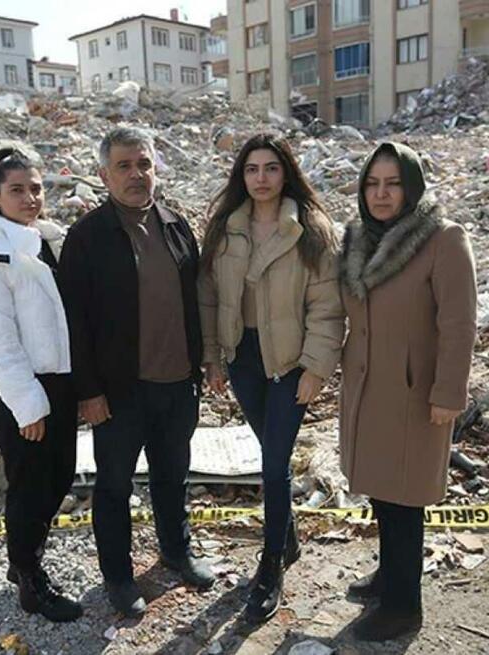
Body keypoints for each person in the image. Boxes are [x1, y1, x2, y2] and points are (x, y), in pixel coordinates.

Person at [57, 127, 213, 618]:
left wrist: (205, 362)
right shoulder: (87, 237)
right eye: (124, 166)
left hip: (177, 383)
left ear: (155, 169)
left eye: (143, 164)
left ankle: (176, 549)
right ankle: (119, 578)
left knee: (173, 475)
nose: (136, 175)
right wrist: (88, 391)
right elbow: (74, 323)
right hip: (119, 392)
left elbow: (198, 300)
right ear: (104, 175)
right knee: (114, 486)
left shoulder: (175, 226)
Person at [198, 134, 343, 623]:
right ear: (242, 177)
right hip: (243, 359)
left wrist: (315, 369)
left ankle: (269, 567)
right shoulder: (225, 228)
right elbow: (209, 298)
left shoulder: (311, 230)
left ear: (287, 173)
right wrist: (213, 358)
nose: (261, 179)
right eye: (252, 170)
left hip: (289, 362)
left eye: (271, 169)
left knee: (274, 461)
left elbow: (327, 307)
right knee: (270, 452)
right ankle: (290, 539)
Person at [338, 142, 477, 641]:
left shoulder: (443, 239)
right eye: (372, 183)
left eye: (392, 183)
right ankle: (388, 576)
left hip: (415, 392)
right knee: (382, 490)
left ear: (411, 186)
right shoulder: (358, 238)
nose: (380, 193)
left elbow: (459, 323)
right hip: (367, 385)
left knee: (405, 500)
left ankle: (403, 606)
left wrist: (448, 394)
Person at [0, 148, 82, 622]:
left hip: (57, 382)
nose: (30, 197)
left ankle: (25, 559)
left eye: (35, 188)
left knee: (58, 477)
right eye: (17, 190)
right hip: (22, 388)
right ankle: (29, 579)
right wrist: (27, 404)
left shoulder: (36, 240)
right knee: (31, 486)